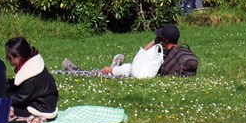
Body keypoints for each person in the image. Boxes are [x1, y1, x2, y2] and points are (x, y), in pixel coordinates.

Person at [61, 23, 197, 78]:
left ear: (165, 40)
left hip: (136, 71)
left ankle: (77, 71)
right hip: (142, 71)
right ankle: (116, 65)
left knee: (106, 71)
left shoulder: (161, 53)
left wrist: (154, 42)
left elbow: (142, 56)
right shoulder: (177, 51)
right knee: (114, 69)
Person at [4, 37, 58, 123]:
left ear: (18, 57)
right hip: (45, 102)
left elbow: (19, 98)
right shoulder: (33, 66)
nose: (6, 58)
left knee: (4, 109)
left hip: (41, 109)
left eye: (8, 56)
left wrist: (1, 95)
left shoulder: (31, 77)